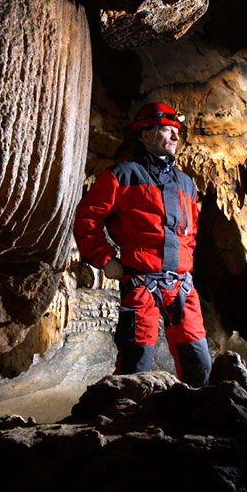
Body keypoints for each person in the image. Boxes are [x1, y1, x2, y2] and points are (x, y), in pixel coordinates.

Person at [73, 101, 212, 385]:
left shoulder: (186, 184)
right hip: (141, 284)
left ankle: (191, 423)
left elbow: (191, 230)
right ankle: (125, 420)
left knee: (199, 364)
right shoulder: (122, 176)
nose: (175, 137)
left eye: (177, 131)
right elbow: (87, 217)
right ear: (143, 134)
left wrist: (185, 260)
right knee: (135, 367)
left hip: (181, 286)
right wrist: (104, 259)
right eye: (167, 130)